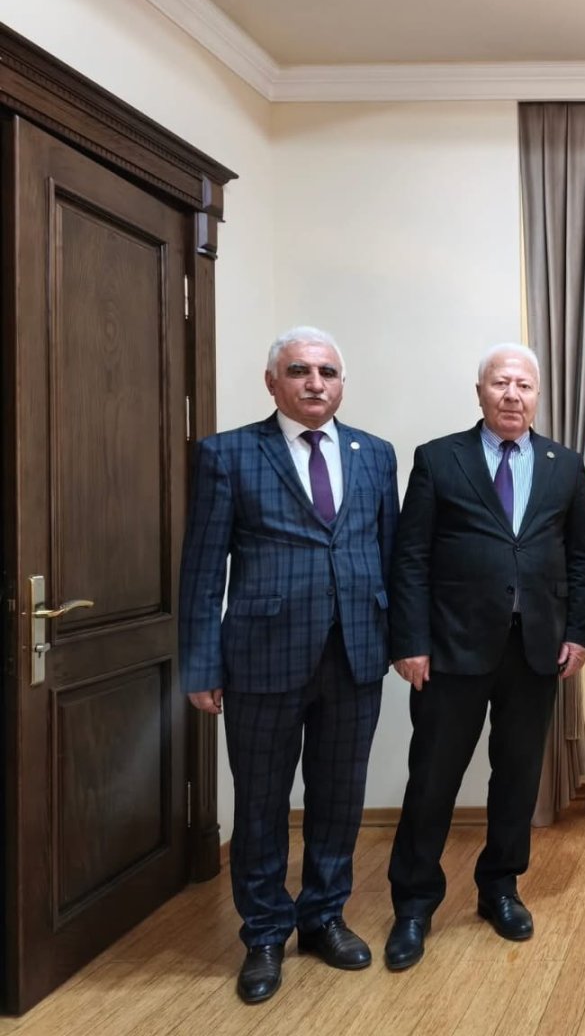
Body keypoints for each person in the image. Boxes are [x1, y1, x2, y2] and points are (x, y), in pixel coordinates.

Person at [179, 327, 399, 1004]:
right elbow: (203, 569)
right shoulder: (227, 454)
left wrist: (403, 640)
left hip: (355, 653)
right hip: (260, 659)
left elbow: (391, 555)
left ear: (341, 383)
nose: (315, 382)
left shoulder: (375, 454)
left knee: (339, 798)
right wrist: (200, 663)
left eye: (327, 372)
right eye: (299, 370)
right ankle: (266, 932)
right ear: (272, 382)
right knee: (261, 803)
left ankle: (324, 917)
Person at [382, 343, 585, 971]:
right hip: (450, 649)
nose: (512, 395)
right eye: (500, 383)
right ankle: (414, 904)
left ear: (537, 396)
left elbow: (582, 558)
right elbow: (411, 557)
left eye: (523, 385)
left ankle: (499, 887)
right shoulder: (438, 458)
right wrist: (409, 641)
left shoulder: (564, 465)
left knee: (518, 776)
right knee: (433, 779)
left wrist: (579, 633)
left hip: (535, 650)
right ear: (479, 392)